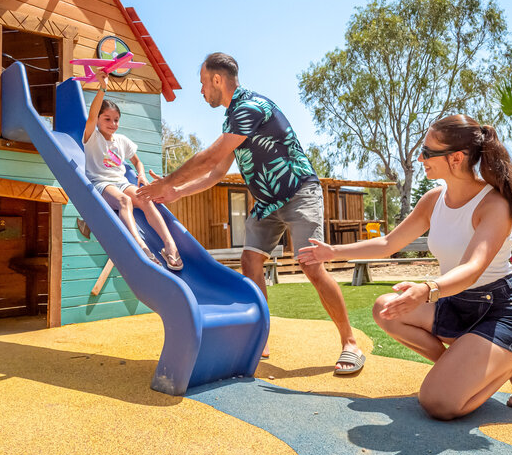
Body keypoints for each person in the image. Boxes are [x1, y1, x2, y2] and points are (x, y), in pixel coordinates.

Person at [299, 115, 512, 419]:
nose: (421, 158)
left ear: (456, 158)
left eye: (428, 153)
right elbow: (388, 244)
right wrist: (331, 252)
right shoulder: (434, 200)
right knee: (386, 308)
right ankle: (466, 367)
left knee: (438, 404)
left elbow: (473, 267)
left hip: (502, 312)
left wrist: (428, 289)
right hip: (458, 304)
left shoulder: (493, 204)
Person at [138, 53, 365, 374]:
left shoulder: (250, 106)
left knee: (311, 266)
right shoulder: (232, 119)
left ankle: (350, 342)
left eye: (203, 83)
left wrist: (168, 181)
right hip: (267, 203)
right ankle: (262, 338)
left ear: (218, 80)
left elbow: (210, 156)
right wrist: (177, 192)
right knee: (250, 261)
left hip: (299, 191)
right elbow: (217, 172)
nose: (202, 91)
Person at [84, 70, 182, 271]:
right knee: (124, 201)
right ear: (99, 120)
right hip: (100, 183)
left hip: (120, 182)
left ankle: (170, 245)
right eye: (107, 119)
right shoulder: (92, 137)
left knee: (145, 198)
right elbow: (92, 115)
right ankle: (141, 245)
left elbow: (137, 161)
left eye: (116, 119)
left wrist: (141, 174)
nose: (112, 124)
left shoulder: (122, 141)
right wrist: (102, 88)